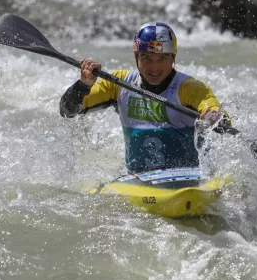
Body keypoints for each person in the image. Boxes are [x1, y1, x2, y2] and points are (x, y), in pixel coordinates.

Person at [60, 22, 229, 173]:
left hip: (189, 179)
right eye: (146, 58)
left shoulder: (189, 88)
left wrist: (214, 118)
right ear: (136, 57)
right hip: (137, 179)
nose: (154, 67)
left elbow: (216, 110)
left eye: (162, 58)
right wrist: (83, 85)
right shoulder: (117, 84)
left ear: (173, 58)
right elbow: (67, 111)